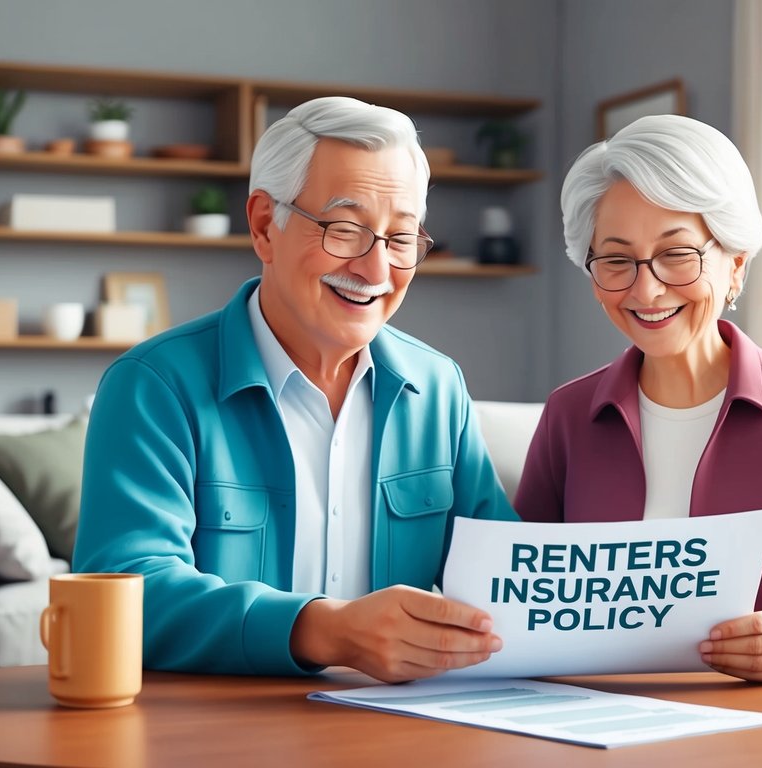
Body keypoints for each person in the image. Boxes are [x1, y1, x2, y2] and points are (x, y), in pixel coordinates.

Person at [74, 97, 515, 683]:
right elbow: (127, 591)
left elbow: (511, 577)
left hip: (396, 730)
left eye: (401, 238)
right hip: (214, 734)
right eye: (345, 229)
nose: (376, 271)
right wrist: (327, 631)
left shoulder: (437, 387)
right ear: (264, 225)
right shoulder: (154, 385)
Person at [515, 115, 762, 684]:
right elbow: (518, 587)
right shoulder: (568, 416)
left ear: (736, 265)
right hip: (593, 721)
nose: (646, 290)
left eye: (677, 255)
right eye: (617, 260)